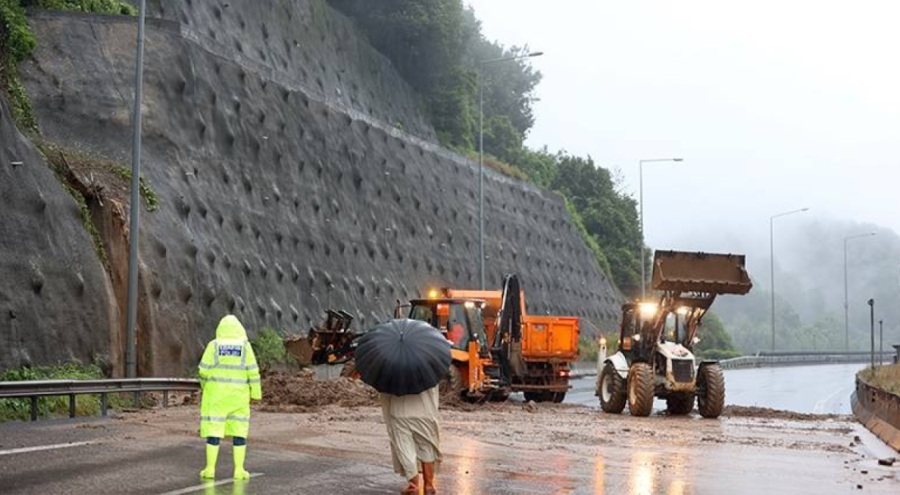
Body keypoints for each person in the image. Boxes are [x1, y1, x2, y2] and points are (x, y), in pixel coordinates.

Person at [198, 314, 262, 480]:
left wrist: (205, 386)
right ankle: (239, 470)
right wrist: (256, 393)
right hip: (238, 397)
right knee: (239, 430)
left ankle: (210, 469)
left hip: (216, 397)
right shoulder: (245, 347)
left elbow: (203, 370)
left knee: (214, 430)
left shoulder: (213, 345)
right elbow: (253, 372)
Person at [380, 384, 441, 495]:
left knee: (405, 449)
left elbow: (384, 391)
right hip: (425, 412)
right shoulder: (430, 369)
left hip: (399, 411)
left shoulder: (392, 368)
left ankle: (413, 486)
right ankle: (429, 485)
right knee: (427, 448)